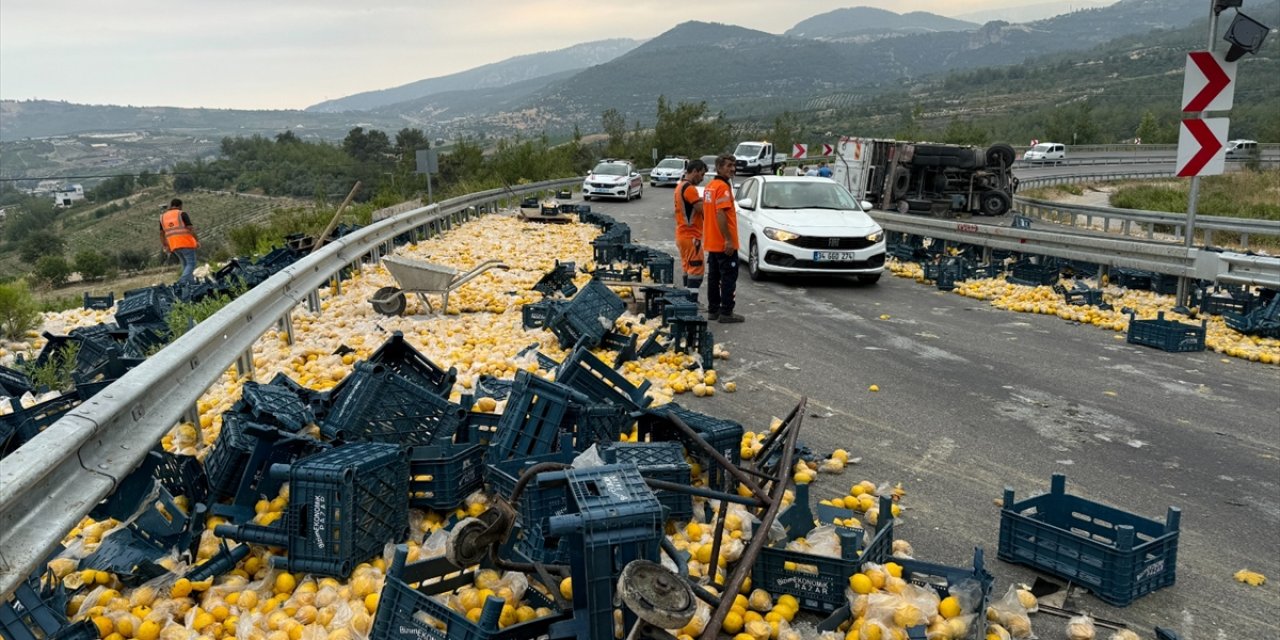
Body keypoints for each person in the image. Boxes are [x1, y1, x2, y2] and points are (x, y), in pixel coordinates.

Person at [702, 154, 743, 324]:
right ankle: (726, 312)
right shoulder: (722, 188)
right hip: (723, 244)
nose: (732, 169)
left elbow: (707, 213)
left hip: (712, 242)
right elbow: (720, 213)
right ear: (718, 168)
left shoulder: (710, 186)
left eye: (733, 165)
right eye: (728, 166)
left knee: (714, 277)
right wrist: (728, 239)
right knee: (728, 278)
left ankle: (713, 310)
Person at [673, 159, 708, 302]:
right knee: (696, 269)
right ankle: (692, 301)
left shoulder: (680, 186)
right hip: (691, 236)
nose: (702, 178)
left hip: (682, 235)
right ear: (694, 171)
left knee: (688, 268)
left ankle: (688, 300)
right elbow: (702, 210)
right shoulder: (690, 189)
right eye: (702, 174)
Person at [160, 198, 199, 285]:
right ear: (180, 205)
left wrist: (165, 245)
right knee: (191, 264)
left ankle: (191, 284)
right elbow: (190, 229)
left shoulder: (163, 217)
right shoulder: (182, 214)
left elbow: (161, 234)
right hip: (186, 243)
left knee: (185, 264)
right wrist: (197, 241)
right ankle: (182, 281)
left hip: (174, 246)